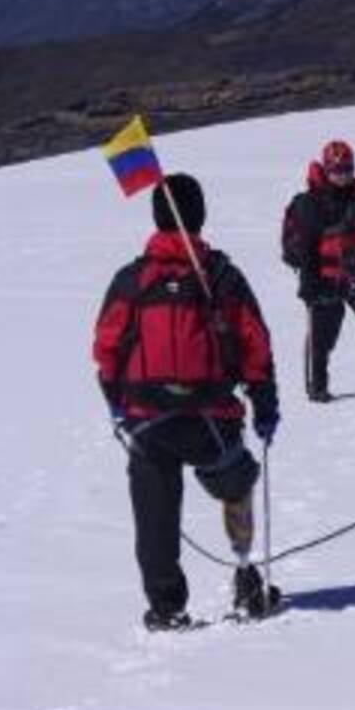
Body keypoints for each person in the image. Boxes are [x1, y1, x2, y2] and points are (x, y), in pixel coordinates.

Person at [93, 173, 281, 630]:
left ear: (158, 217)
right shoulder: (220, 276)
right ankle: (246, 575)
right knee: (234, 485)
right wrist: (264, 403)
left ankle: (166, 608)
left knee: (155, 517)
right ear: (200, 215)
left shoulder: (132, 279)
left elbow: (106, 346)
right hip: (209, 417)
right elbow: (255, 344)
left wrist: (117, 401)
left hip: (146, 420)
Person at [283, 139, 355, 401]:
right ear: (326, 169)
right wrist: (309, 285)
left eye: (348, 168)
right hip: (324, 277)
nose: (344, 174)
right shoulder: (309, 202)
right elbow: (306, 248)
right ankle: (318, 385)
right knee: (323, 333)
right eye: (337, 169)